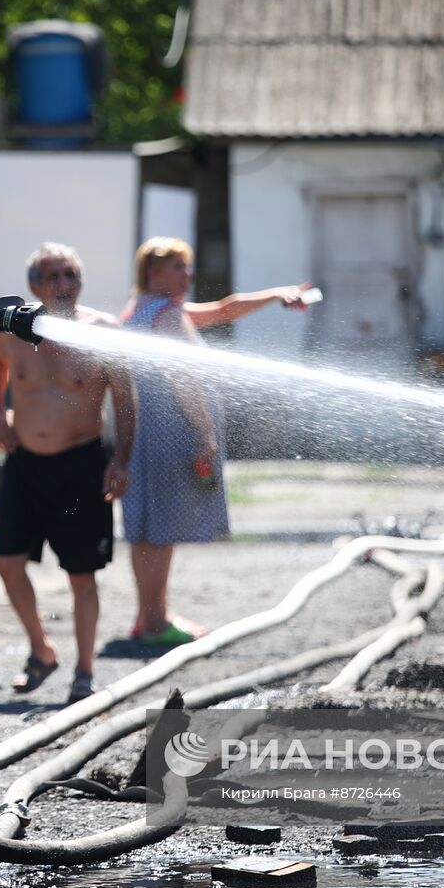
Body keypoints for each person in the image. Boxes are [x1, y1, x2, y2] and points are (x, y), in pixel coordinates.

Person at [121, 237, 310, 645]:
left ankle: (150, 616)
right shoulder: (168, 316)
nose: (186, 275)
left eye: (187, 267)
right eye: (176, 267)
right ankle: (154, 623)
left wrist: (277, 294)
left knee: (150, 528)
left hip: (144, 432)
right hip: (171, 432)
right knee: (161, 531)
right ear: (152, 273)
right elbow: (182, 376)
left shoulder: (144, 310)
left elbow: (227, 309)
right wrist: (205, 431)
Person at [0, 243, 136, 704]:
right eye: (53, 276)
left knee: (81, 573)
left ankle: (84, 671)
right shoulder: (14, 331)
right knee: (8, 562)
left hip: (81, 462)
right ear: (34, 286)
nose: (64, 284)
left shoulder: (104, 332)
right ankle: (41, 650)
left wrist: (121, 460)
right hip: (25, 462)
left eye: (70, 275)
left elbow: (126, 402)